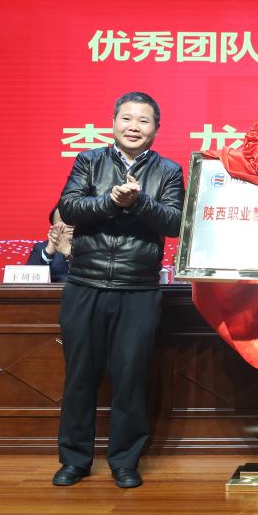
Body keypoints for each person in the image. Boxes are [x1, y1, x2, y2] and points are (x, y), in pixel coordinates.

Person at [51, 91, 184, 489]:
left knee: (130, 378)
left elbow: (175, 222)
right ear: (113, 123)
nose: (134, 127)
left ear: (156, 129)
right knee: (79, 377)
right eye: (127, 118)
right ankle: (74, 460)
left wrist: (139, 202)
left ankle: (125, 461)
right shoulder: (89, 160)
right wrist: (110, 200)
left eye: (143, 120)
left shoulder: (169, 170)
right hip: (85, 283)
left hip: (138, 288)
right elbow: (69, 207)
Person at [26, 206, 72, 282]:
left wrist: (69, 255)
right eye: (63, 220)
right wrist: (47, 253)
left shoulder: (91, 247)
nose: (70, 224)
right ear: (53, 226)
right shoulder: (40, 248)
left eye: (74, 219)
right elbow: (27, 281)